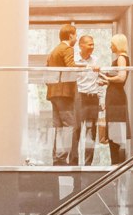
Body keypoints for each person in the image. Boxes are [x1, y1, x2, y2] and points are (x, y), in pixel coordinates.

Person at [44, 27, 78, 166]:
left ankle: (57, 157)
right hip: (64, 93)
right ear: (70, 36)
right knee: (69, 125)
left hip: (53, 93)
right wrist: (86, 67)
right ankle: (62, 157)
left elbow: (47, 70)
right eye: (75, 35)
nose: (76, 38)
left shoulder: (53, 51)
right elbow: (71, 67)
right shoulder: (67, 49)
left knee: (57, 126)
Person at [70, 32, 105, 166]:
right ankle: (73, 163)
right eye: (90, 44)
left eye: (93, 44)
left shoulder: (96, 60)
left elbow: (100, 80)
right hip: (79, 97)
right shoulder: (74, 60)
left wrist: (101, 100)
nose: (92, 47)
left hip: (93, 97)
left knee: (91, 132)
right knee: (76, 130)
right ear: (81, 45)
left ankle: (88, 164)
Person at [103, 35, 132, 164]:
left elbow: (121, 77)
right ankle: (116, 163)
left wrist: (107, 79)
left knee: (116, 133)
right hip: (114, 97)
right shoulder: (122, 58)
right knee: (115, 132)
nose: (110, 46)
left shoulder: (121, 58)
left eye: (112, 44)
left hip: (116, 99)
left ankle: (117, 164)